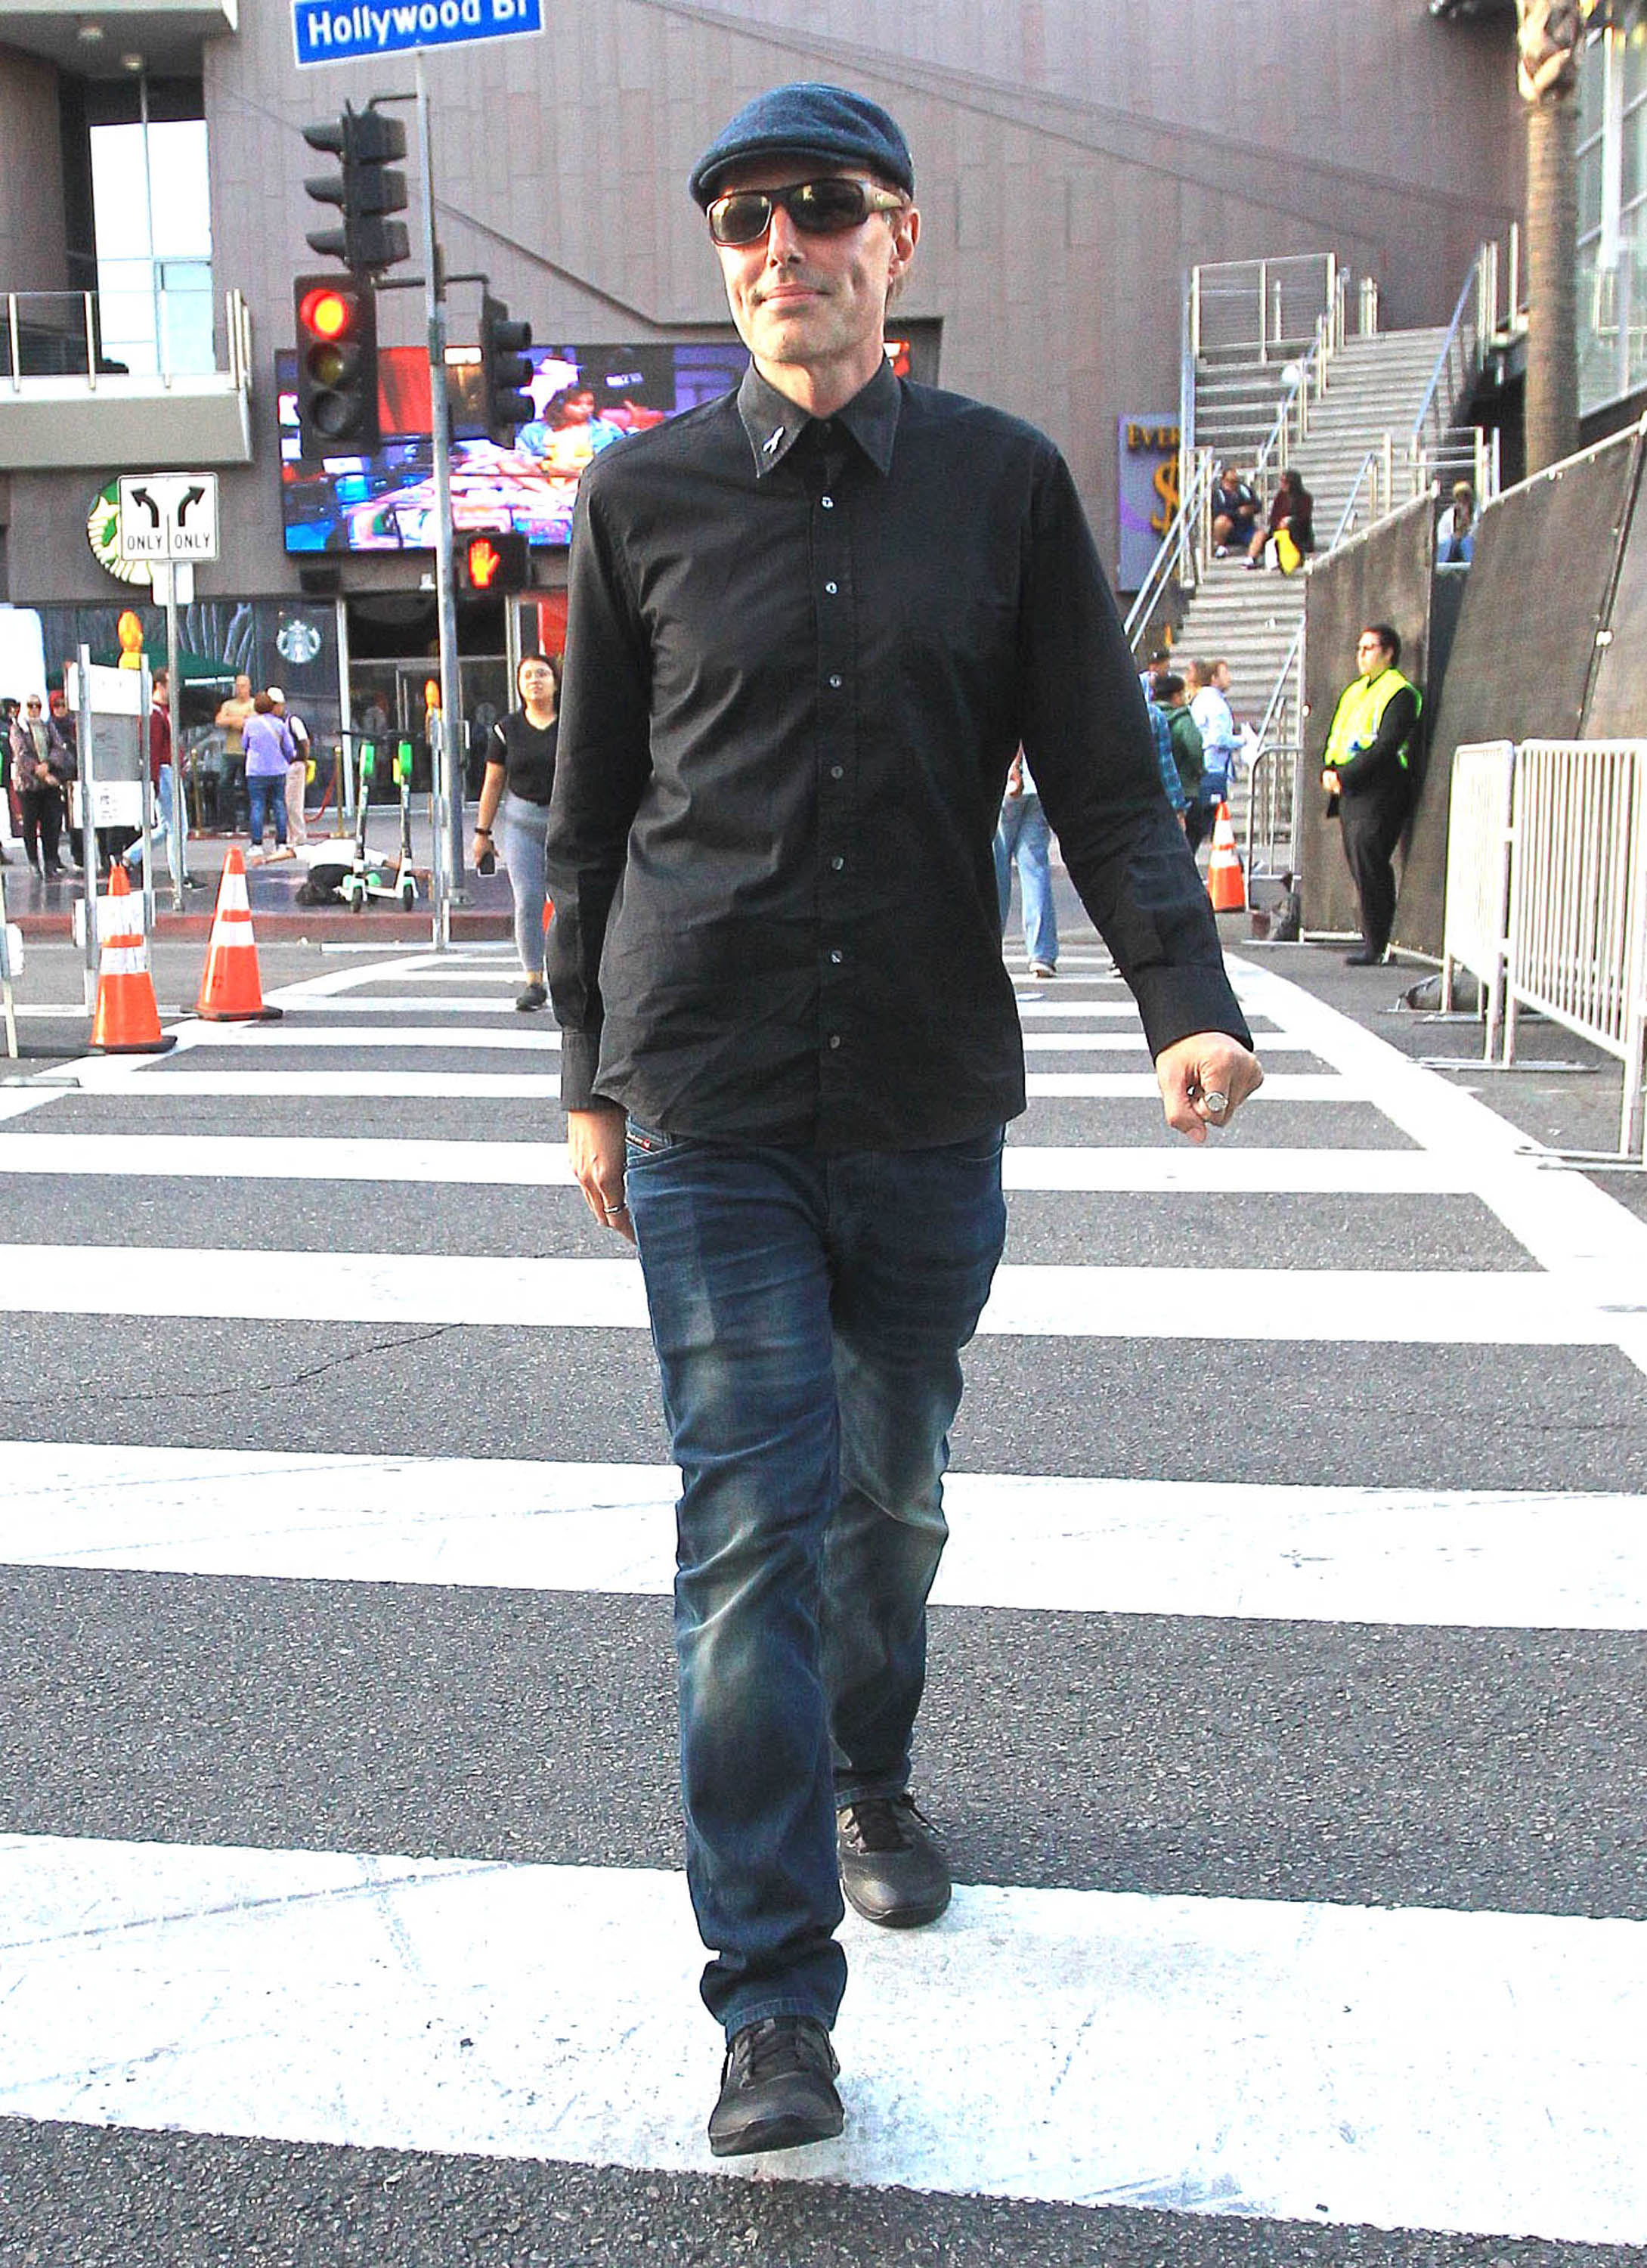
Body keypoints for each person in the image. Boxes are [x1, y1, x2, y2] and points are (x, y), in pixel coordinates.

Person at [543, 81, 1262, 2161]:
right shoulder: (638, 501)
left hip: (931, 1092)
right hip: (709, 1097)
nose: (785, 249)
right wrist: (580, 1072)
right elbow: (587, 822)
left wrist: (1182, 1006)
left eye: (823, 213)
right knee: (750, 1526)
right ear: (726, 264)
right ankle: (770, 2006)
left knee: (891, 1498)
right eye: (746, 224)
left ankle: (870, 1766)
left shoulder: (1006, 489)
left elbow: (1107, 785)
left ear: (899, 243)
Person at [1321, 622, 1422, 965]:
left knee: (1369, 856)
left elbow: (1387, 744)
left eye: (1369, 648)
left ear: (1388, 653)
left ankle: (1378, 942)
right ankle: (1375, 938)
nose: (1361, 655)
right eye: (1359, 648)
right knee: (1359, 860)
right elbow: (1339, 733)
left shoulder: (1400, 692)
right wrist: (1330, 771)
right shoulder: (1355, 691)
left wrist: (1344, 776)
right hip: (1351, 789)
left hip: (1381, 787)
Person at [472, 653, 560, 1011]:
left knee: (569, 904)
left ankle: (569, 975)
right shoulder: (506, 729)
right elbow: (494, 781)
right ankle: (534, 980)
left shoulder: (573, 722)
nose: (534, 681)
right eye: (527, 676)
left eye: (542, 674)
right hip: (522, 824)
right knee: (528, 901)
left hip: (566, 825)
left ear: (555, 682)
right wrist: (482, 833)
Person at [125, 669, 194, 890]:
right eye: (170, 684)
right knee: (177, 827)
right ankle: (179, 875)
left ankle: (129, 857)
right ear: (159, 685)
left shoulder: (163, 711)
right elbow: (152, 750)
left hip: (168, 770)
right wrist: (153, 780)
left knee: (168, 826)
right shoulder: (154, 714)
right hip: (164, 771)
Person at [993, 749, 1057, 977]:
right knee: (1036, 870)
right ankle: (1042, 953)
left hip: (1009, 784)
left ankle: (992, 946)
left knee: (997, 872)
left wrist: (1015, 765)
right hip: (1038, 786)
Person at [8, 692, 74, 877]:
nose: (35, 710)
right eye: (31, 706)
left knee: (51, 823)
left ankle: (51, 861)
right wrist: (41, 772)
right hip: (29, 784)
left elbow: (58, 746)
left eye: (38, 706)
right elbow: (21, 754)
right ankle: (33, 862)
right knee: (30, 825)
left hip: (50, 782)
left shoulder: (47, 725)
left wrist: (49, 765)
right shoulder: (18, 728)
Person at [1189, 656, 1242, 844]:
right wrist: (1243, 741)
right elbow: (1219, 739)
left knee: (1209, 823)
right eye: (1225, 673)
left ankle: (1238, 863)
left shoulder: (1200, 700)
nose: (1229, 678)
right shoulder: (1216, 704)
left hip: (1204, 767)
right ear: (1213, 677)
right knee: (1210, 821)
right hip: (1213, 768)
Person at [241, 692, 296, 858]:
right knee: (279, 805)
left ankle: (257, 844)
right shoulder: (279, 724)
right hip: (278, 770)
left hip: (256, 771)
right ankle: (281, 842)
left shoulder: (250, 724)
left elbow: (245, 744)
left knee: (257, 805)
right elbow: (288, 747)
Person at [1156, 671, 1206, 847]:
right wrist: (1200, 771)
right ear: (1176, 696)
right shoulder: (1183, 720)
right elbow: (1195, 749)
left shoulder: (1147, 715)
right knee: (1192, 834)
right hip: (1185, 788)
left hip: (1155, 794)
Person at [1246, 467, 1314, 572]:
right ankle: (1251, 559)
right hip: (1278, 530)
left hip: (1298, 531)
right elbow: (1274, 516)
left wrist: (1288, 520)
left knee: (1289, 526)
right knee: (1260, 534)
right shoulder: (1280, 497)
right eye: (1281, 482)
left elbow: (1304, 517)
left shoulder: (1305, 497)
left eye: (1285, 482)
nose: (1282, 485)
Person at [268, 687, 311, 848]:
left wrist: (304, 760)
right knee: (283, 803)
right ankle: (287, 835)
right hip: (280, 766)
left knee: (294, 803)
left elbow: (305, 741)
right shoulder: (271, 722)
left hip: (294, 764)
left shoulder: (292, 721)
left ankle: (298, 837)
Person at [215, 672, 255, 832]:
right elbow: (219, 721)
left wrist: (232, 720)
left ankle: (248, 820)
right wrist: (239, 720)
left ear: (249, 687)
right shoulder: (228, 705)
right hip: (230, 752)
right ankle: (227, 821)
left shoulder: (254, 703)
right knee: (224, 785)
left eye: (243, 686)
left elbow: (255, 720)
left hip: (248, 752)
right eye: (237, 686)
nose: (240, 689)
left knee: (249, 787)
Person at [1209, 465, 1260, 557]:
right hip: (1229, 530)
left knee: (1261, 535)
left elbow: (1258, 505)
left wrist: (1250, 509)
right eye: (1230, 482)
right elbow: (1218, 511)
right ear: (1223, 480)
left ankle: (1251, 559)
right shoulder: (1218, 494)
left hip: (1246, 527)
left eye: (1235, 482)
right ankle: (1221, 547)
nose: (1233, 485)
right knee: (1221, 521)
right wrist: (1238, 513)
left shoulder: (1245, 490)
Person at [1436, 479, 1475, 565]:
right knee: (1448, 542)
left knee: (1467, 541)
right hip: (1451, 545)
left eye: (1465, 496)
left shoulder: (1476, 513)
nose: (1462, 500)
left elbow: (1476, 532)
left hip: (1469, 543)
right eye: (1459, 497)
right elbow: (1442, 536)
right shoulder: (1449, 514)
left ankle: (1472, 567)